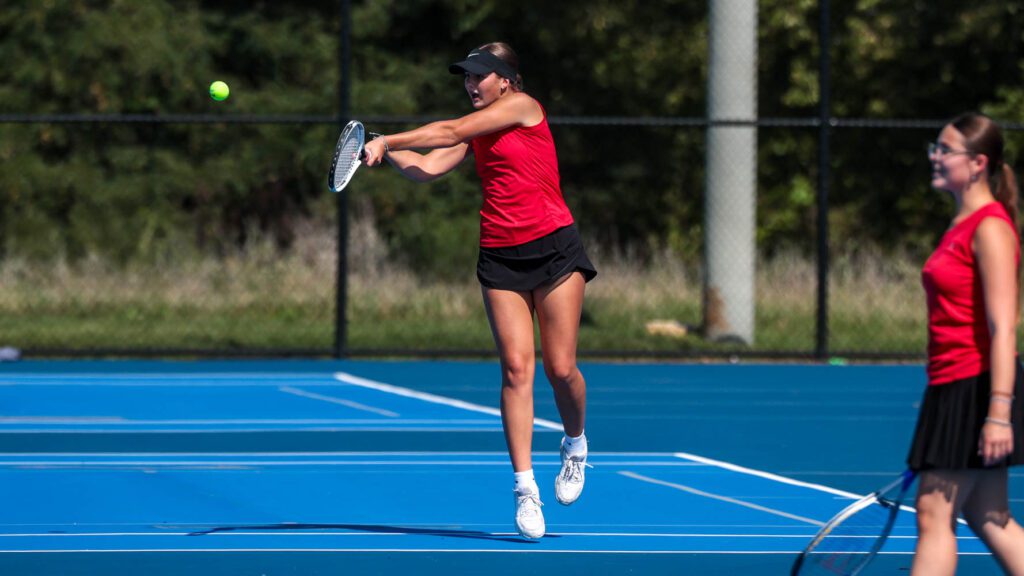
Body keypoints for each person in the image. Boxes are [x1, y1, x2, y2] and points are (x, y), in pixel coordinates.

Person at [361, 42, 597, 540]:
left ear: (506, 79)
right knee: (516, 369)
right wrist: (386, 150)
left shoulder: (523, 107)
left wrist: (389, 136)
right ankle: (525, 489)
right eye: (466, 77)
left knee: (560, 368)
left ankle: (575, 445)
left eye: (479, 76)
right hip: (500, 256)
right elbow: (429, 166)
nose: (470, 84)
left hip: (555, 249)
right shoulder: (479, 130)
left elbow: (447, 130)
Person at [908, 112, 1024, 574]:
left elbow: (1004, 328)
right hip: (953, 384)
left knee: (934, 515)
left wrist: (998, 413)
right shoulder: (963, 223)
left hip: (974, 387)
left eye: (944, 150)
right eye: (935, 148)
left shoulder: (990, 228)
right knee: (988, 514)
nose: (934, 158)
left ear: (977, 163)